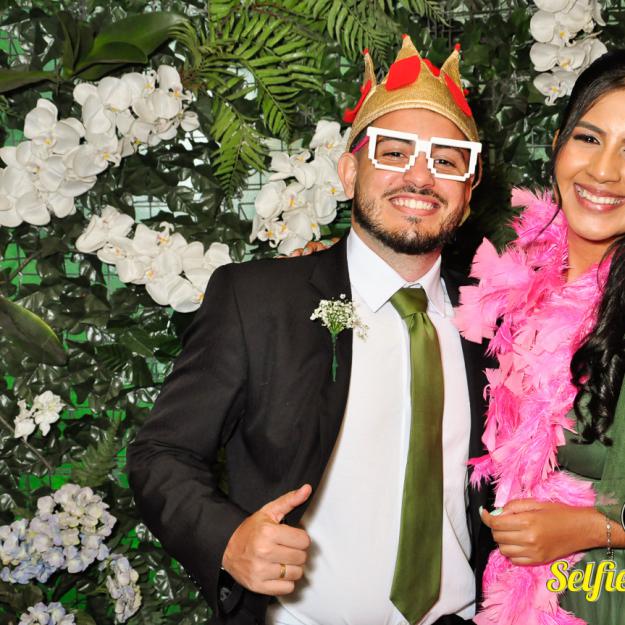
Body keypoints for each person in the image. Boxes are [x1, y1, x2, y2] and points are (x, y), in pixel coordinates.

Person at [127, 35, 492, 625]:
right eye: (394, 152)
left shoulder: (498, 320)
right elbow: (161, 453)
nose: (420, 176)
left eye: (447, 160)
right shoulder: (256, 301)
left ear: (468, 192)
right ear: (349, 172)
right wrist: (229, 541)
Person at [455, 50, 625, 625]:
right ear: (557, 145)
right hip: (509, 596)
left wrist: (595, 528)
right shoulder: (517, 287)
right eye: (589, 138)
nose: (606, 171)